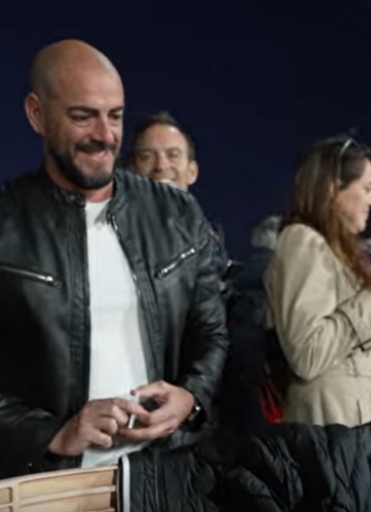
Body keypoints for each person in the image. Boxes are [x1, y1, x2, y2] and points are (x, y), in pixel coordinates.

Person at [0, 39, 229, 478]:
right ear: (37, 114)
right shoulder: (8, 223)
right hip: (51, 485)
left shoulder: (177, 214)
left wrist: (191, 397)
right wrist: (51, 433)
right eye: (83, 116)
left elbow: (211, 334)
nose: (105, 135)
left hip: (169, 474)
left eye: (116, 116)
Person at [264, 135, 371, 427]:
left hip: (362, 438)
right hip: (334, 438)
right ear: (333, 187)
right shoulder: (301, 241)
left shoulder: (342, 253)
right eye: (367, 188)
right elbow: (308, 354)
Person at [128, 111, 231, 295]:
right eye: (147, 156)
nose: (161, 166)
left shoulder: (208, 240)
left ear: (192, 171)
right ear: (132, 171)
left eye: (173, 155)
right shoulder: (111, 237)